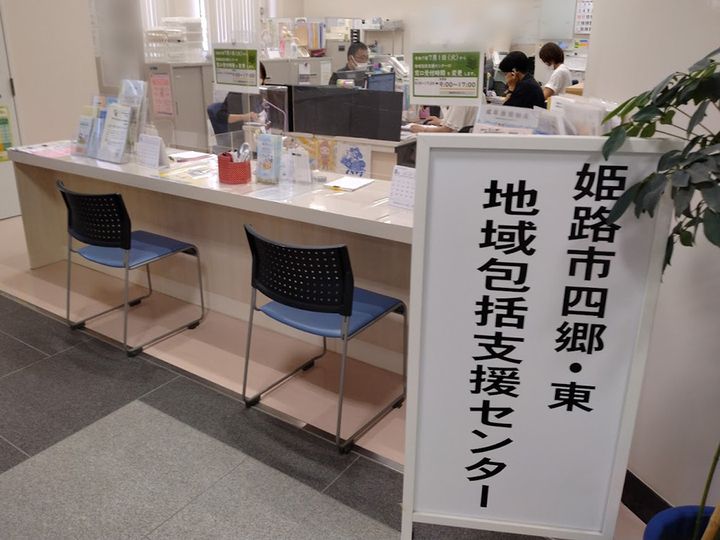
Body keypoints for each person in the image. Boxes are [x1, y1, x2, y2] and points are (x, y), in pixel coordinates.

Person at [217, 63, 267, 128]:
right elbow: (221, 116)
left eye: (260, 77)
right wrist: (244, 117)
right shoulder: (235, 94)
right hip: (241, 131)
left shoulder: (262, 93)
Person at [408, 106, 478, 133]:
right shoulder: (478, 93)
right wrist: (441, 121)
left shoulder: (461, 98)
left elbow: (447, 129)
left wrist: (423, 130)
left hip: (454, 145)